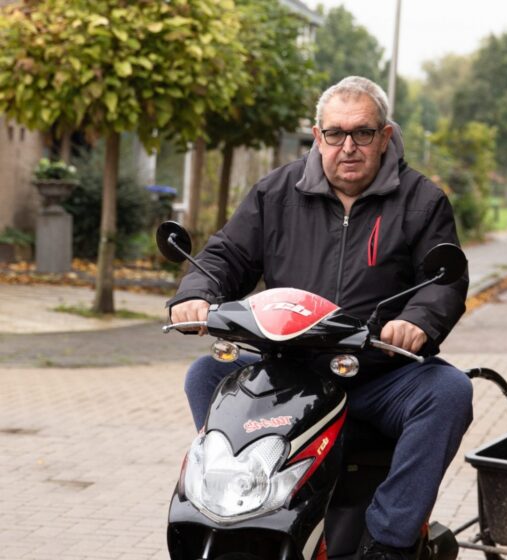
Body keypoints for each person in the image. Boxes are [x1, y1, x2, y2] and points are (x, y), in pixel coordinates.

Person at [167, 76, 472, 560]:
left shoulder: (421, 200)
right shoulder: (275, 193)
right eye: (335, 133)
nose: (348, 147)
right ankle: (240, 501)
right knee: (206, 374)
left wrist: (418, 320)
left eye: (362, 133)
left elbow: (443, 280)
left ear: (385, 136)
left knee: (449, 391)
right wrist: (196, 294)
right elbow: (226, 255)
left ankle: (389, 540)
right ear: (317, 136)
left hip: (377, 373)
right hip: (288, 371)